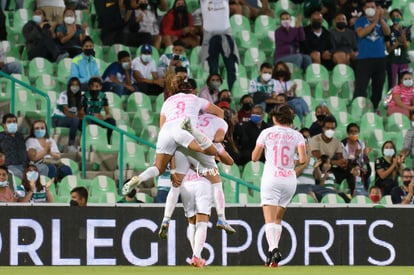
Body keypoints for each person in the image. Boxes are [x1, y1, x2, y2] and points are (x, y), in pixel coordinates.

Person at [121, 76, 224, 198]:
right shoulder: (195, 99)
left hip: (166, 133)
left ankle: (139, 178)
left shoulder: (168, 102)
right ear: (191, 91)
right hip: (184, 130)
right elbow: (220, 112)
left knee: (158, 168)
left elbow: (162, 126)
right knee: (209, 152)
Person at [157, 111, 236, 240]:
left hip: (182, 147)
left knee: (176, 187)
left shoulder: (195, 116)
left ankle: (166, 219)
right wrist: (219, 150)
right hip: (201, 149)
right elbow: (220, 144)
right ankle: (222, 218)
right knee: (217, 182)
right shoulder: (221, 123)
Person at [251, 104, 306, 267]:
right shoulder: (298, 136)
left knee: (269, 219)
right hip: (289, 179)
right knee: (277, 219)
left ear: (275, 118)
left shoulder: (266, 133)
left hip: (271, 178)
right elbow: (303, 160)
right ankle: (270, 255)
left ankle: (274, 249)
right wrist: (291, 161)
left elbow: (254, 157)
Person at [353, 0, 390, 112]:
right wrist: (374, 22)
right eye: (368, 6)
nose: (371, 8)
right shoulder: (360, 21)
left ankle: (374, 108)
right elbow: (361, 33)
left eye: (373, 6)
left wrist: (381, 19)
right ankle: (358, 109)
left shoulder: (381, 21)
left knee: (378, 86)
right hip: (365, 59)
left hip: (380, 58)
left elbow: (387, 32)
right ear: (364, 9)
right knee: (361, 86)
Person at [199, 0, 239, 90]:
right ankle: (214, 92)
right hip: (210, 36)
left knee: (231, 68)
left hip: (226, 35)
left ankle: (231, 92)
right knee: (213, 70)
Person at [179, 164, 213, 267]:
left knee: (192, 222)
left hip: (186, 183)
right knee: (202, 220)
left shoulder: (181, 148)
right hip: (202, 182)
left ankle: (197, 256)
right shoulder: (205, 147)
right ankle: (196, 256)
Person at [0, 113, 48, 179]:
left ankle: (39, 188)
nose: (12, 124)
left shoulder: (20, 136)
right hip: (10, 166)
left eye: (14, 122)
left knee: (44, 168)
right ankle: (25, 188)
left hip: (25, 166)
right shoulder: (1, 137)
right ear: (3, 125)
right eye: (9, 122)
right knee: (19, 174)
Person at [309, 115, 349, 186]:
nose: (330, 130)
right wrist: (335, 162)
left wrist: (343, 163)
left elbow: (340, 159)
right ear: (323, 128)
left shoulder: (337, 142)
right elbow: (319, 160)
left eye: (332, 128)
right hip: (316, 167)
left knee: (347, 172)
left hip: (328, 166)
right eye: (328, 128)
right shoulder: (315, 139)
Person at [79, 77, 116, 144]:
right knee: (82, 123)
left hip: (98, 119)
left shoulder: (103, 97)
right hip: (87, 118)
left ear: (101, 87)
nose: (94, 88)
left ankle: (108, 142)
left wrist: (103, 117)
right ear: (89, 87)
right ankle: (85, 144)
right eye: (92, 86)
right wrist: (86, 120)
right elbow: (80, 113)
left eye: (97, 86)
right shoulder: (83, 97)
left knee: (111, 121)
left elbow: (108, 113)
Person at [52, 77, 82, 153]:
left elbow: (81, 112)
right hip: (57, 119)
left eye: (77, 85)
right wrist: (78, 118)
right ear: (69, 86)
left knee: (84, 123)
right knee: (76, 120)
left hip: (69, 120)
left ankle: (82, 145)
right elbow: (66, 112)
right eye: (73, 85)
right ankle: (70, 145)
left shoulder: (80, 97)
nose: (75, 87)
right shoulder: (63, 94)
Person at [341, 122, 371, 191]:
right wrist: (355, 156)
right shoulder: (342, 144)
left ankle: (365, 192)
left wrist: (365, 155)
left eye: (356, 131)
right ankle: (352, 192)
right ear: (348, 133)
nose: (354, 133)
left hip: (359, 168)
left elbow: (363, 160)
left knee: (367, 174)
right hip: (347, 168)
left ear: (358, 133)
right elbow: (344, 161)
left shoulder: (361, 144)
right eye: (351, 132)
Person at [385, 8, 411, 90]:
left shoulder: (406, 30)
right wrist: (397, 43)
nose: (395, 17)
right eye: (393, 16)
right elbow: (388, 50)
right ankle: (390, 101)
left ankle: (403, 101)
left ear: (401, 17)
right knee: (392, 84)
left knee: (404, 84)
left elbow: (407, 48)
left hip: (403, 60)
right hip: (392, 60)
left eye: (397, 15)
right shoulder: (388, 30)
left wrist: (403, 41)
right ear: (390, 18)